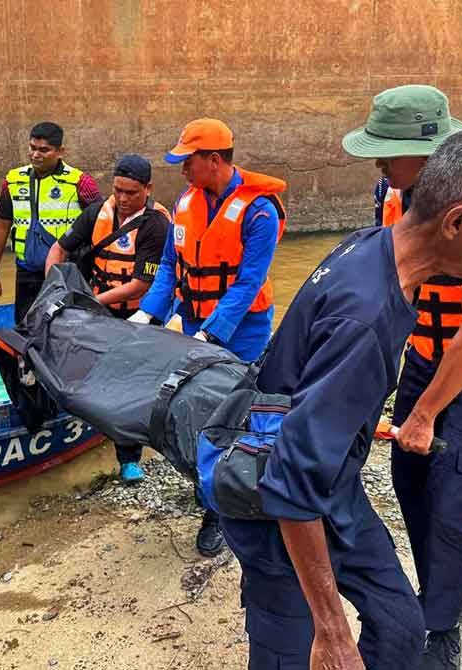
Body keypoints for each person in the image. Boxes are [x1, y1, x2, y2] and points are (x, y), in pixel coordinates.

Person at [220, 130, 462, 670]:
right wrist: (333, 630)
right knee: (293, 651)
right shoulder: (364, 322)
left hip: (329, 482)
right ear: (456, 222)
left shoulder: (372, 246)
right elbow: (290, 482)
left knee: (400, 629)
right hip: (275, 497)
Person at [343, 85, 462, 669]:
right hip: (426, 354)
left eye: (386, 151)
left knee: (451, 498)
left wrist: (424, 412)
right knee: (409, 476)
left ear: (426, 152)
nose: (378, 163)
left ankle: (441, 628)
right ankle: (449, 584)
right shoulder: (396, 194)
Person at [129, 118, 285, 557]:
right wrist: (148, 313)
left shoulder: (259, 211)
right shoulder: (185, 204)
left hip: (242, 329)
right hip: (193, 319)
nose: (182, 171)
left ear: (213, 160)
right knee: (190, 408)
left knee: (232, 413)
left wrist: (212, 335)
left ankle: (220, 510)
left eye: (188, 162)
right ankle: (206, 481)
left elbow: (248, 283)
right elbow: (169, 268)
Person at [43, 154, 170, 484]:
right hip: (98, 309)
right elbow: (60, 248)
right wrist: (53, 285)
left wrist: (88, 302)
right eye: (118, 191)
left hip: (139, 316)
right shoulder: (99, 210)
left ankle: (129, 457)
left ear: (148, 189)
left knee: (129, 383)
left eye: (132, 192)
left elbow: (142, 284)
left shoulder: (156, 224)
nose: (124, 200)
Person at [0, 122, 102, 321]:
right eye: (32, 148)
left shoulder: (80, 182)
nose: (35, 154)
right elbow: (1, 225)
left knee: (66, 332)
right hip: (27, 272)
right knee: (25, 330)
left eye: (44, 150)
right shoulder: (13, 180)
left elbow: (100, 224)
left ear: (60, 151)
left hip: (67, 273)